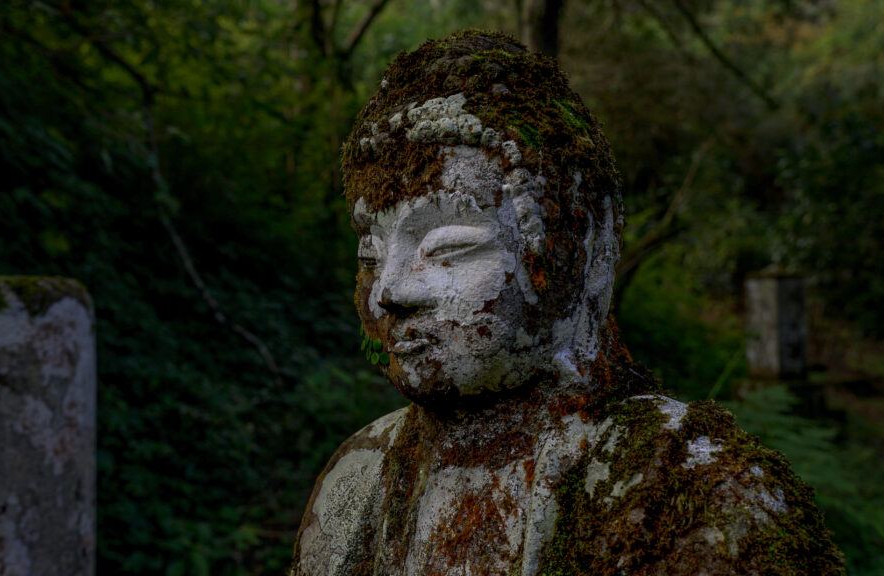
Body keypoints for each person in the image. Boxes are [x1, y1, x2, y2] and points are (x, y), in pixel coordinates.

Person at [290, 30, 844, 576]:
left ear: (579, 246)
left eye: (447, 246)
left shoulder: (682, 489)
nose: (389, 289)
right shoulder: (358, 475)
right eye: (370, 252)